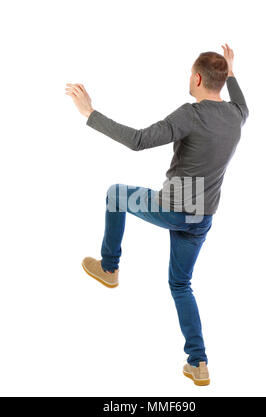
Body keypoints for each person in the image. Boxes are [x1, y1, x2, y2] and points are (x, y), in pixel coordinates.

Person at [65, 43, 249, 386]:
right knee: (180, 284)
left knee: (115, 195)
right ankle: (198, 363)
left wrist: (89, 113)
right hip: (202, 216)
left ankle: (109, 267)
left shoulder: (190, 114)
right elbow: (239, 97)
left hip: (176, 209)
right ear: (221, 81)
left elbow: (138, 141)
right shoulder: (237, 115)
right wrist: (231, 70)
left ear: (196, 78)